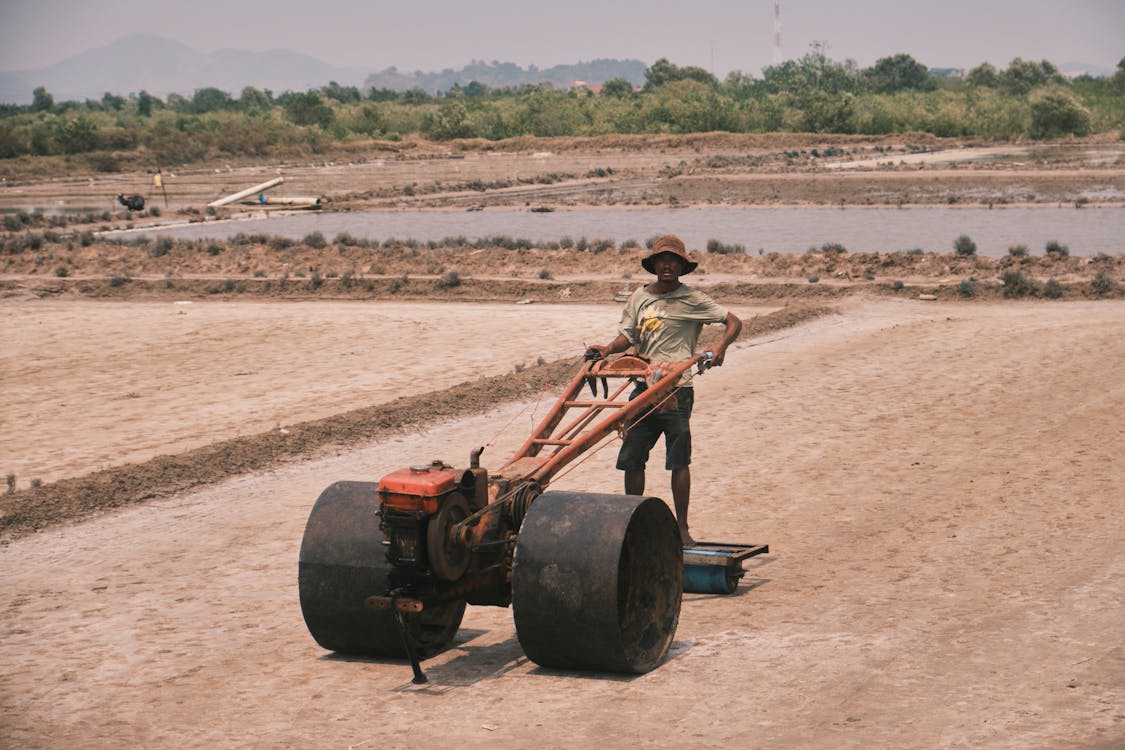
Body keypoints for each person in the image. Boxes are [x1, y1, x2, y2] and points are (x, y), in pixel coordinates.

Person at [588, 234, 742, 546]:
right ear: (654, 264)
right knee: (632, 457)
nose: (668, 265)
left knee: (678, 459)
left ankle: (682, 528)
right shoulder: (639, 298)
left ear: (682, 266)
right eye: (662, 260)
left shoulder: (693, 299)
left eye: (674, 260)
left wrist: (719, 346)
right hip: (643, 388)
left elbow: (733, 322)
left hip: (676, 391)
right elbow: (626, 337)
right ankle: (634, 525)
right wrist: (606, 349)